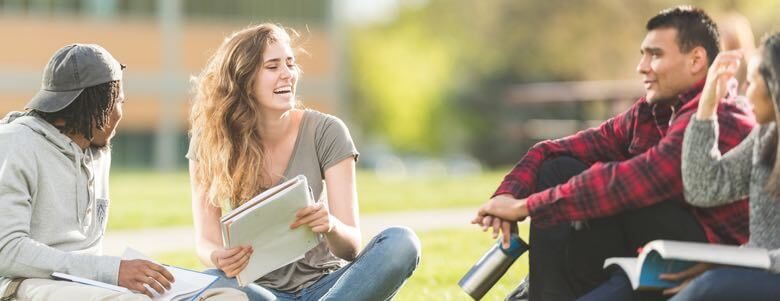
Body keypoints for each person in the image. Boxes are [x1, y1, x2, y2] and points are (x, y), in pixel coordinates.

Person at [473, 6, 755, 301]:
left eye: (655, 55)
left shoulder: (721, 114)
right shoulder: (650, 112)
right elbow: (551, 150)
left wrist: (526, 207)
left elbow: (633, 181)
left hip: (710, 258)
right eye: (643, 54)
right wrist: (506, 196)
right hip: (648, 243)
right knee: (558, 168)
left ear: (696, 59)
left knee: (619, 193)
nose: (642, 66)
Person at [187, 23, 421, 301]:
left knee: (401, 243)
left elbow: (351, 248)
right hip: (260, 292)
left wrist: (330, 225)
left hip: (328, 287)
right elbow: (205, 241)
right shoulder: (211, 140)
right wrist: (218, 257)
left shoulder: (327, 131)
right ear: (244, 79)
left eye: (290, 64)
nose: (287, 74)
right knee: (204, 284)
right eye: (272, 67)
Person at [0, 44, 246, 300]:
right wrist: (111, 271)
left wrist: (116, 274)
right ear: (99, 107)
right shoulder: (15, 144)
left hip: (88, 284)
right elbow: (6, 251)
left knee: (228, 297)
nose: (121, 113)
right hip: (25, 283)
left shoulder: (95, 149)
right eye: (119, 102)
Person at [664, 32, 780, 301]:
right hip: (760, 271)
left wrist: (736, 263)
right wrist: (708, 104)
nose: (743, 90)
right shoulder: (767, 136)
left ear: (774, 87)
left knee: (709, 287)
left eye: (751, 82)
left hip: (766, 275)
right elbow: (705, 188)